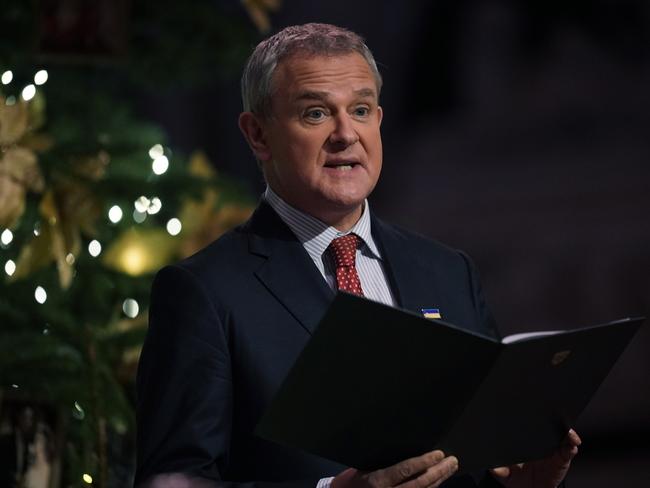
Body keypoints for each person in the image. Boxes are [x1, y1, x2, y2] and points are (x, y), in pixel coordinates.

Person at [135, 23, 581, 488]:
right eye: (315, 114)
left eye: (361, 110)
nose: (346, 134)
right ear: (258, 135)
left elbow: (478, 458)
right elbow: (172, 482)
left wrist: (520, 484)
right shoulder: (205, 292)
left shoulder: (448, 271)